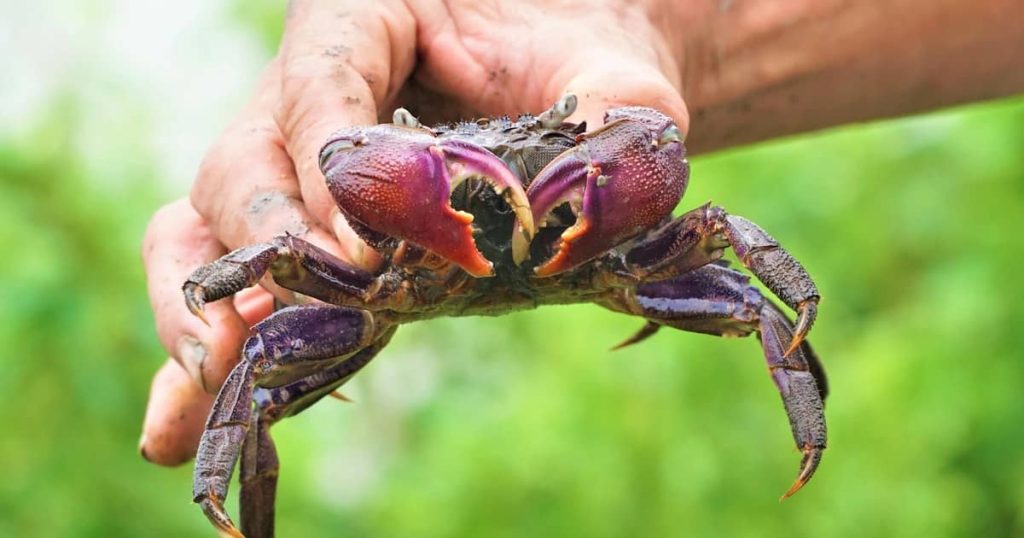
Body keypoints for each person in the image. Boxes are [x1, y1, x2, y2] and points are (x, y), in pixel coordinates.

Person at [139, 0, 1024, 464]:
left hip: (598, 257)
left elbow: (720, 231)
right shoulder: (366, 243)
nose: (509, 187)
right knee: (247, 371)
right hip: (391, 277)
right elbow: (276, 249)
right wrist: (220, 284)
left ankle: (810, 431)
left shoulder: (610, 186)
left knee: (746, 279)